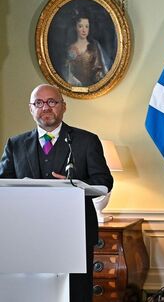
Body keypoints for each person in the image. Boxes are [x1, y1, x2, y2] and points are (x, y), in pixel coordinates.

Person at [0, 84, 114, 302]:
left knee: (76, 292)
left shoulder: (86, 141)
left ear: (64, 107)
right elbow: (2, 183)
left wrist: (75, 184)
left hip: (75, 233)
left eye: (52, 102)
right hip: (26, 234)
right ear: (31, 108)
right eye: (39, 103)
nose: (46, 108)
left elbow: (104, 182)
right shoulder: (15, 144)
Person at [64, 12, 111, 87]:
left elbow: (100, 69)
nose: (84, 30)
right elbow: (66, 72)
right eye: (80, 26)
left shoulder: (95, 46)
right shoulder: (70, 48)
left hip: (93, 87)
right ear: (75, 28)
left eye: (86, 26)